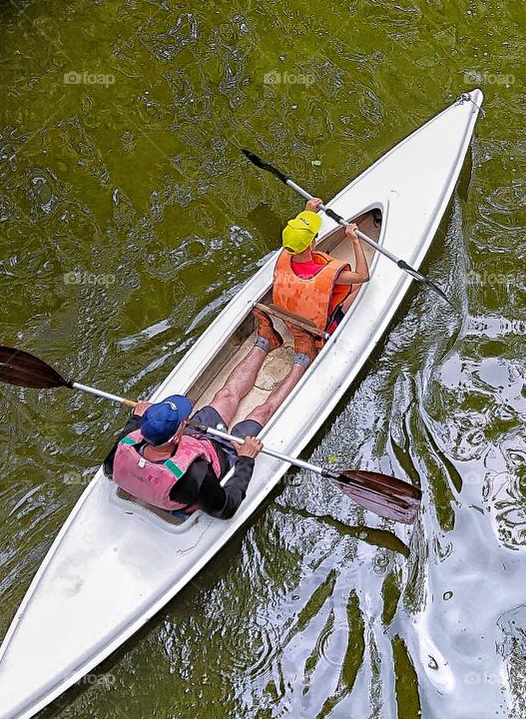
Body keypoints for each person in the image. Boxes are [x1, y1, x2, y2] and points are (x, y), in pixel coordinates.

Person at [104, 310, 317, 520]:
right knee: (261, 412)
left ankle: (265, 342)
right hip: (222, 455)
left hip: (194, 438)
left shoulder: (128, 442)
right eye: (182, 421)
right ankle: (303, 361)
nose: (186, 418)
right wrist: (245, 459)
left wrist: (137, 417)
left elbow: (110, 469)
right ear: (177, 435)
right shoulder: (195, 473)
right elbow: (225, 508)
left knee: (225, 396)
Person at [272, 199, 372, 336]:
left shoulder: (286, 253)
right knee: (359, 284)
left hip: (294, 317)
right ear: (311, 245)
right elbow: (363, 276)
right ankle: (340, 319)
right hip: (321, 328)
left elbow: (296, 238)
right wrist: (355, 241)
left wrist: (308, 213)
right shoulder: (323, 274)